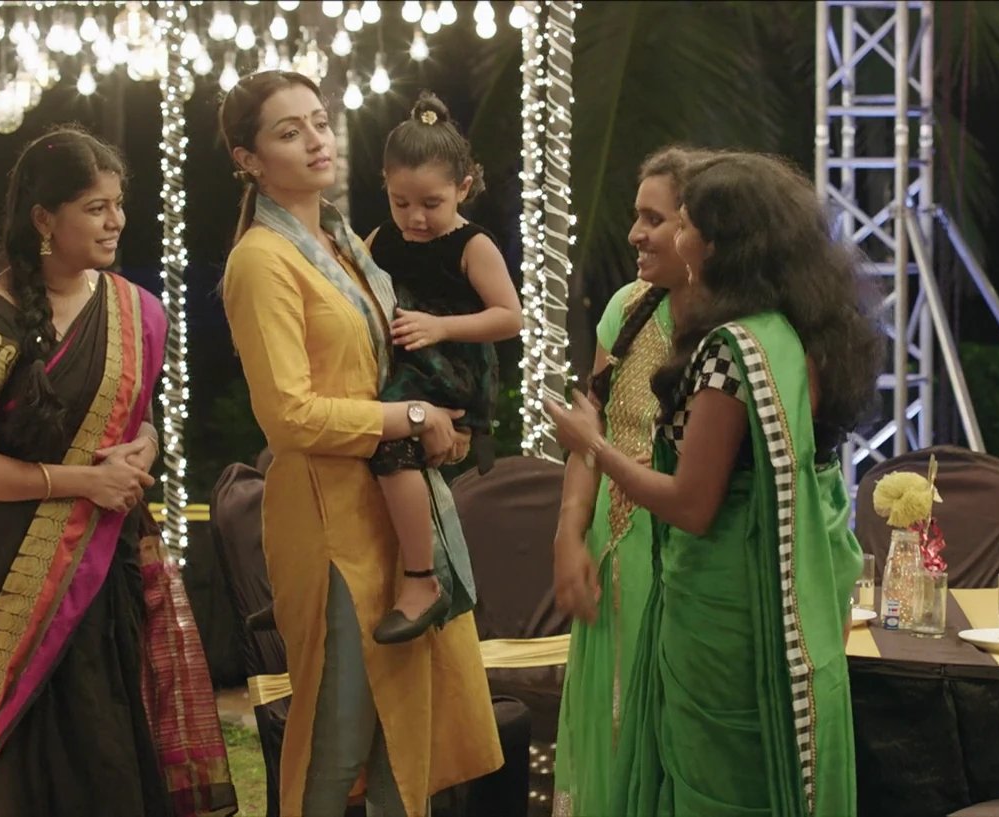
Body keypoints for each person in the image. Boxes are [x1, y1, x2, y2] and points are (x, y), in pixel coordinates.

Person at [546, 152, 879, 816]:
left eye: (679, 221)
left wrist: (592, 445)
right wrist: (572, 529)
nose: (661, 235)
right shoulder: (790, 333)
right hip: (756, 581)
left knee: (711, 773)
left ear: (721, 242)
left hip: (719, 596)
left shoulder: (731, 350)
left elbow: (695, 504)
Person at [0, 125, 236, 817]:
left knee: (106, 747)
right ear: (44, 218)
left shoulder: (134, 310)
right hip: (6, 577)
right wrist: (85, 482)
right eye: (95, 208)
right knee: (24, 768)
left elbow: (139, 420)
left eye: (118, 204)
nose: (115, 220)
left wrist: (144, 450)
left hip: (104, 570)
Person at [217, 70, 502, 817]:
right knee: (339, 733)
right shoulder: (262, 259)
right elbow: (289, 416)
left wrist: (440, 423)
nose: (317, 140)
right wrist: (411, 417)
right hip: (327, 518)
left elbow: (393, 366)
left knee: (401, 734)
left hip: (389, 505)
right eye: (290, 132)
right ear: (248, 159)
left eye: (319, 121)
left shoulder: (345, 242)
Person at [548, 146, 711, 817]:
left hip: (690, 567)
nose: (634, 233)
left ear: (700, 230)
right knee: (611, 746)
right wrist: (569, 534)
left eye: (655, 219)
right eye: (636, 215)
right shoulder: (627, 308)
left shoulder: (736, 329)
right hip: (613, 561)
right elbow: (593, 432)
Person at [363, 92, 521, 644]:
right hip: (405, 366)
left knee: (390, 441)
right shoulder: (382, 238)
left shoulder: (472, 245)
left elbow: (510, 317)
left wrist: (441, 327)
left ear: (464, 187)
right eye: (400, 201)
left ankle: (421, 578)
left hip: (450, 372)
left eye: (432, 203)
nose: (416, 217)